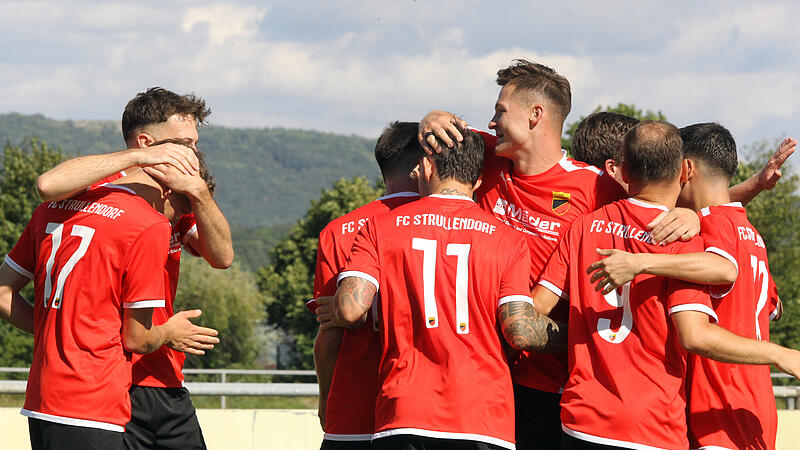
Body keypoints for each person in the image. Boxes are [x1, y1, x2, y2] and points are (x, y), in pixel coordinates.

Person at [419, 61, 793, 448]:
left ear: (535, 115)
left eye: (500, 110)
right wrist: (431, 118)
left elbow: (653, 200)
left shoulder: (593, 190)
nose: (492, 121)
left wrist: (699, 214)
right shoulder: (485, 157)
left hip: (562, 386)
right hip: (496, 377)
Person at [533, 121, 800, 449]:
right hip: (737, 412)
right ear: (681, 171)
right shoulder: (734, 237)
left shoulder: (589, 227)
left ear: (624, 171)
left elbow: (700, 325)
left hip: (693, 415)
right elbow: (772, 305)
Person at [317, 129, 566, 450]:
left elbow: (351, 310)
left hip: (404, 411)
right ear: (477, 181)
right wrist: (580, 335)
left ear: (427, 168)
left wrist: (337, 307)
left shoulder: (380, 227)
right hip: (483, 417)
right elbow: (520, 332)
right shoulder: (506, 238)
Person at [35, 87, 234, 450]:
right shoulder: (97, 192)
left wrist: (200, 192)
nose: (193, 152)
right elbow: (47, 185)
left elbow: (221, 256)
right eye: (183, 142)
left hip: (165, 378)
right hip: (113, 380)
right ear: (146, 142)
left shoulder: (175, 201)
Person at [0, 155, 219, 450]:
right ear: (169, 190)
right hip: (93, 401)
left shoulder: (50, 209)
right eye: (182, 209)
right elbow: (137, 339)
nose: (178, 219)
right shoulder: (148, 224)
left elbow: (3, 294)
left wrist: (62, 332)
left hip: (41, 399)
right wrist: (169, 332)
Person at [310, 121, 422, 449]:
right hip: (423, 409)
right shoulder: (448, 225)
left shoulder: (338, 230)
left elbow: (328, 338)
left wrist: (326, 398)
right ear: (423, 166)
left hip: (352, 409)